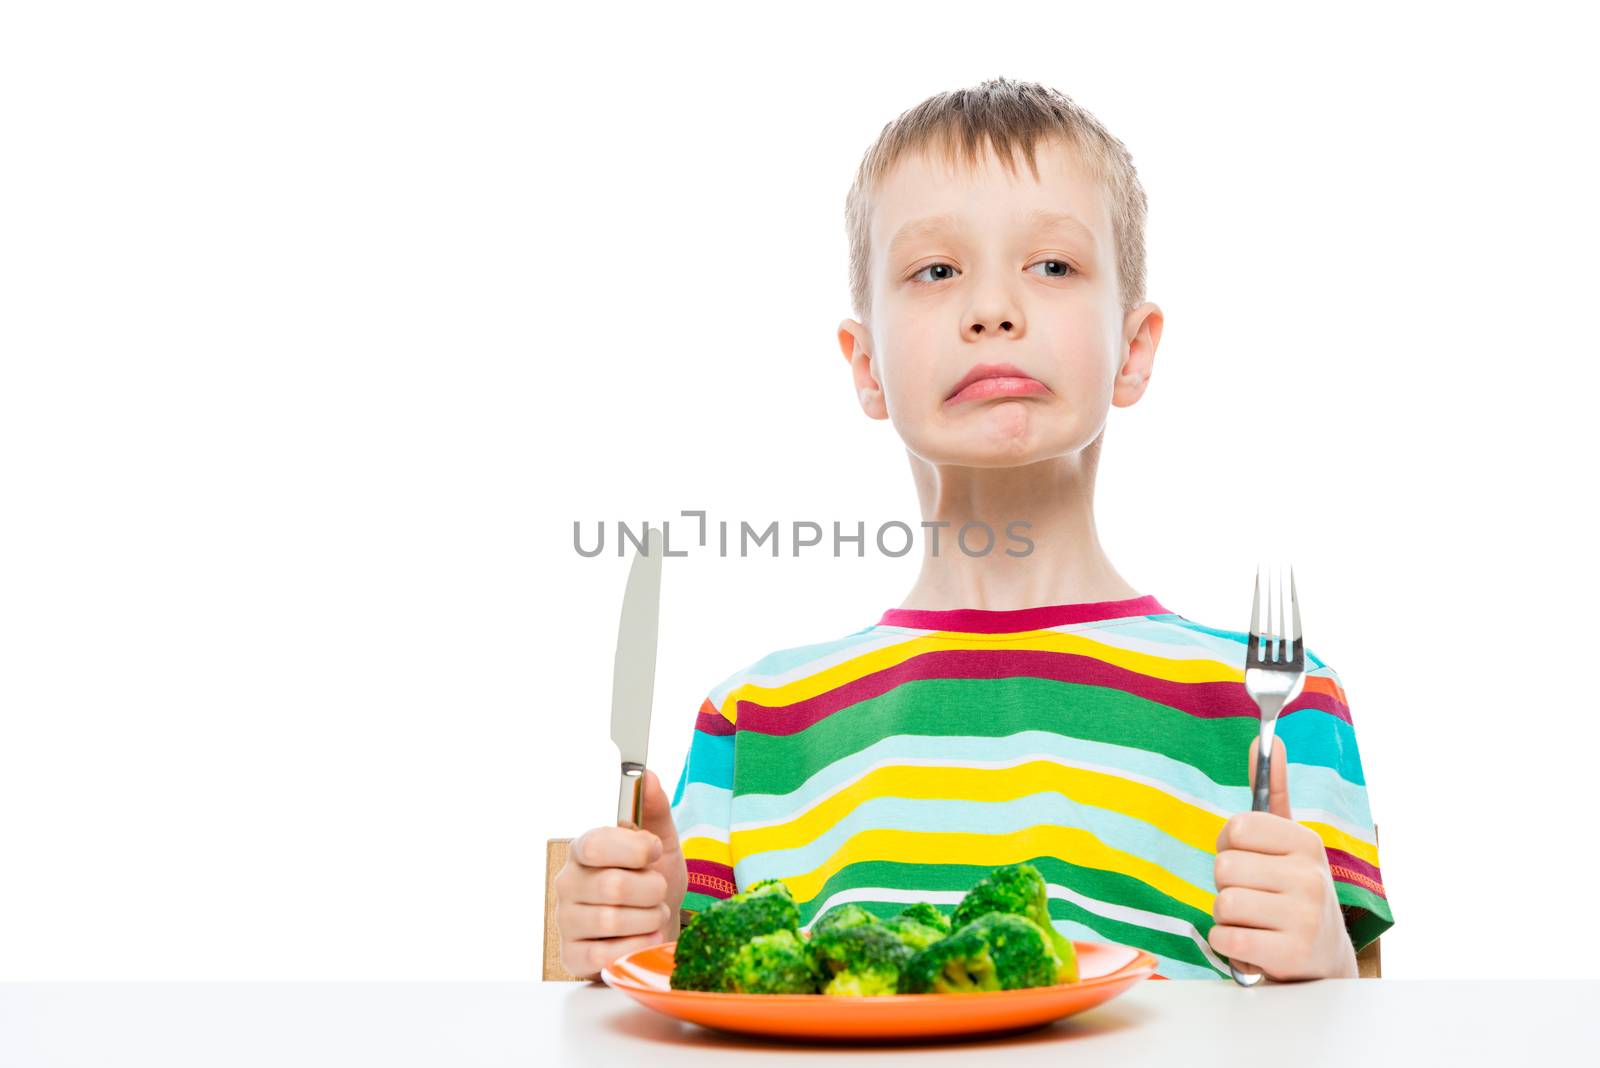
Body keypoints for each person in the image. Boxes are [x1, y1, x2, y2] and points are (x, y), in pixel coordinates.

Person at [553, 77, 1392, 983]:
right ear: (866, 366)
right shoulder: (755, 725)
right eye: (937, 271)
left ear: (1134, 347)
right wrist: (620, 945)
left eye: (1053, 266)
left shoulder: (1277, 704)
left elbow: (1350, 1027)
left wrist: (1331, 972)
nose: (993, 309)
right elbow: (680, 1009)